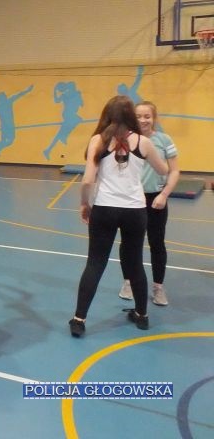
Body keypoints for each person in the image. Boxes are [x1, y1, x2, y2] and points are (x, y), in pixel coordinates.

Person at [69, 95, 168, 338]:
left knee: (95, 263)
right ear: (131, 116)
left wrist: (84, 203)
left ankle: (79, 319)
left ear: (107, 114)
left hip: (105, 209)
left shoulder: (98, 140)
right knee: (135, 262)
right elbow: (164, 170)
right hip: (135, 211)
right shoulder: (143, 142)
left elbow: (88, 180)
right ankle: (142, 316)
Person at [118, 101, 179, 306]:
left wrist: (164, 194)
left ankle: (158, 287)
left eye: (147, 116)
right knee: (128, 243)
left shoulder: (163, 140)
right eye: (138, 116)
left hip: (155, 200)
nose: (143, 120)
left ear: (154, 118)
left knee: (157, 243)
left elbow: (174, 170)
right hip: (132, 200)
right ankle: (128, 282)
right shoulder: (126, 139)